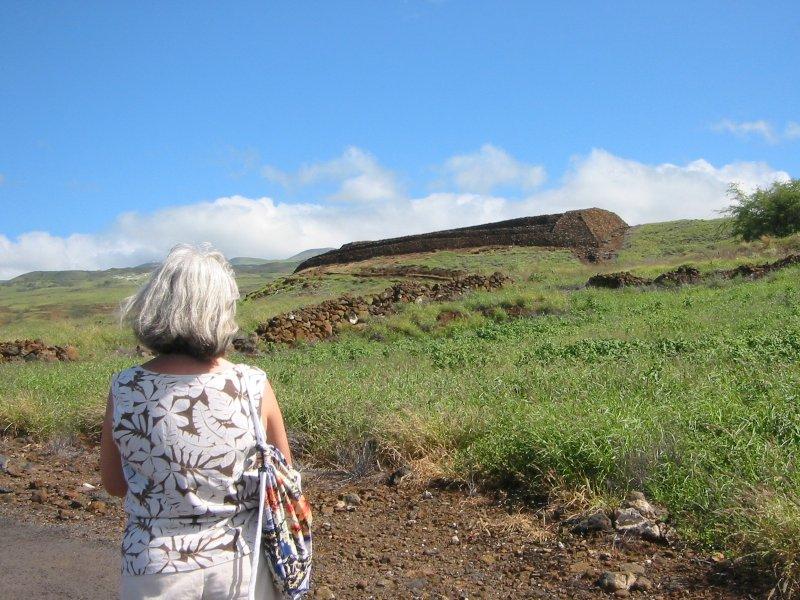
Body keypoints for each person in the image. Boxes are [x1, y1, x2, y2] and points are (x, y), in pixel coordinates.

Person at [100, 243, 289, 600]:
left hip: (153, 566)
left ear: (155, 304)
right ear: (222, 310)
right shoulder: (252, 384)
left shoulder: (125, 386)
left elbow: (114, 483)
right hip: (239, 568)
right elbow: (281, 477)